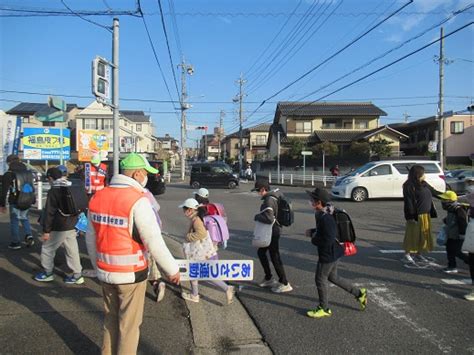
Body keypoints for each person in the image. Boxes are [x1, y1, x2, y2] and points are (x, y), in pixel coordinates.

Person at [86, 153, 180, 355]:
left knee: (110, 320)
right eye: (146, 173)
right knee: (128, 326)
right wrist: (172, 269)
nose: (147, 177)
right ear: (137, 174)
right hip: (132, 273)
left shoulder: (98, 196)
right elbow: (154, 240)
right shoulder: (138, 200)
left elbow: (90, 237)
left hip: (105, 271)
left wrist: (97, 266)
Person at [305, 188, 367, 318]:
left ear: (319, 202)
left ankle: (324, 308)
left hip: (328, 254)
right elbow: (325, 232)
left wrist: (314, 239)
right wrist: (312, 231)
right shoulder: (325, 212)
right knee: (333, 277)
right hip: (335, 252)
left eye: (312, 200)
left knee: (320, 279)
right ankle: (359, 293)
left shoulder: (325, 217)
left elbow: (328, 237)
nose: (310, 201)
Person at [179, 198, 235, 304]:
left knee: (205, 274)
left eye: (184, 209)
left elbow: (202, 234)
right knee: (194, 272)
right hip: (204, 252)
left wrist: (188, 236)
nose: (183, 212)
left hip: (200, 253)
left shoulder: (196, 220)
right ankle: (194, 295)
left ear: (190, 210)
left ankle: (227, 288)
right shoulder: (197, 218)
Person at [34, 167, 84, 284]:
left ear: (50, 178)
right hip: (72, 223)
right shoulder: (71, 185)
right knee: (72, 250)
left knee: (47, 249)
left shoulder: (54, 190)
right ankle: (77, 275)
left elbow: (49, 212)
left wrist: (46, 230)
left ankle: (47, 273)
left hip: (59, 226)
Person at [252, 180, 292, 293]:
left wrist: (257, 217)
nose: (257, 193)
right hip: (274, 230)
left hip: (273, 231)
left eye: (258, 191)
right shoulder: (274, 195)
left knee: (275, 256)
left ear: (263, 189)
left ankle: (284, 282)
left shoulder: (269, 200)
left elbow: (269, 219)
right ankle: (269, 277)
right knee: (262, 252)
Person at [402, 165, 441, 266]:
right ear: (418, 174)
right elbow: (409, 202)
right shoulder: (408, 185)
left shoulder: (423, 183)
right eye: (423, 173)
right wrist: (410, 216)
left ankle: (418, 253)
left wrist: (450, 196)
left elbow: (435, 192)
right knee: (412, 234)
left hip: (426, 214)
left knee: (423, 235)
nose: (425, 175)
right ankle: (407, 254)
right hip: (415, 215)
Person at [0, 154, 35, 249]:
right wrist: (33, 199)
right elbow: (32, 186)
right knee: (25, 218)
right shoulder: (28, 172)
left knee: (14, 221)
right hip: (27, 199)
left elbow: (4, 191)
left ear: (9, 162)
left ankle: (15, 242)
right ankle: (29, 235)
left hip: (15, 200)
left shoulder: (9, 174)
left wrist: (2, 204)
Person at [144, 187, 166, 302]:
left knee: (145, 262)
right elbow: (157, 207)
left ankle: (156, 283)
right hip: (156, 230)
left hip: (143, 236)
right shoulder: (147, 192)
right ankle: (157, 282)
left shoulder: (132, 194)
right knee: (152, 260)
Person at [439, 191, 469, 274]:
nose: (442, 201)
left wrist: (462, 234)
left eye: (445, 200)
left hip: (457, 235)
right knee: (449, 249)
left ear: (450, 201)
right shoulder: (451, 209)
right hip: (451, 234)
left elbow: (462, 222)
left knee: (457, 251)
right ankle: (452, 266)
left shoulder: (458, 209)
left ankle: (470, 261)